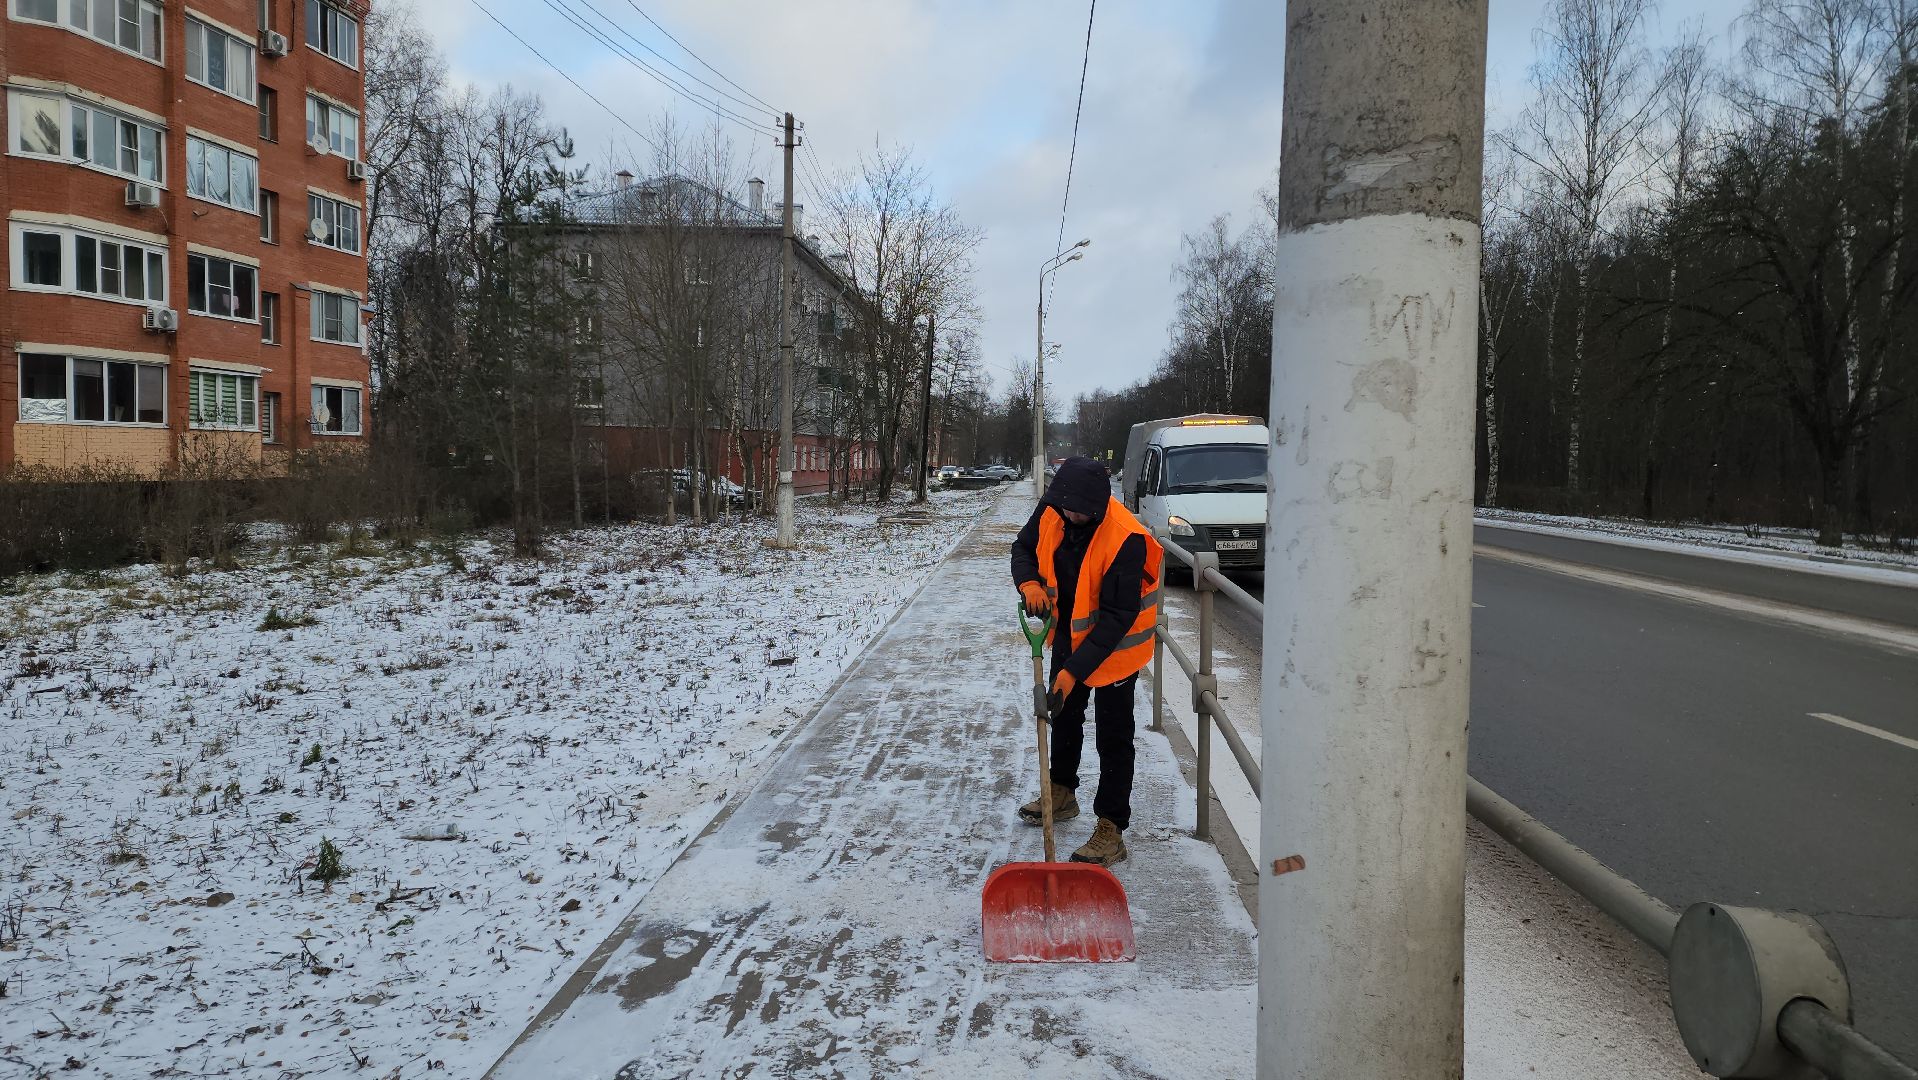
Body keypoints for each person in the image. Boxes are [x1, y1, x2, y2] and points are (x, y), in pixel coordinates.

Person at [1009, 456, 1163, 867]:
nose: (1068, 515)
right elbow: (1023, 548)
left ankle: (1112, 827)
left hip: (1115, 650)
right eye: (1064, 507)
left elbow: (1117, 618)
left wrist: (1073, 673)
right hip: (1065, 634)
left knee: (1113, 737)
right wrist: (1027, 581)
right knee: (1064, 716)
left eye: (1078, 511)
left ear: (1096, 508)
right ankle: (1061, 792)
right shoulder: (1055, 506)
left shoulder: (1125, 538)